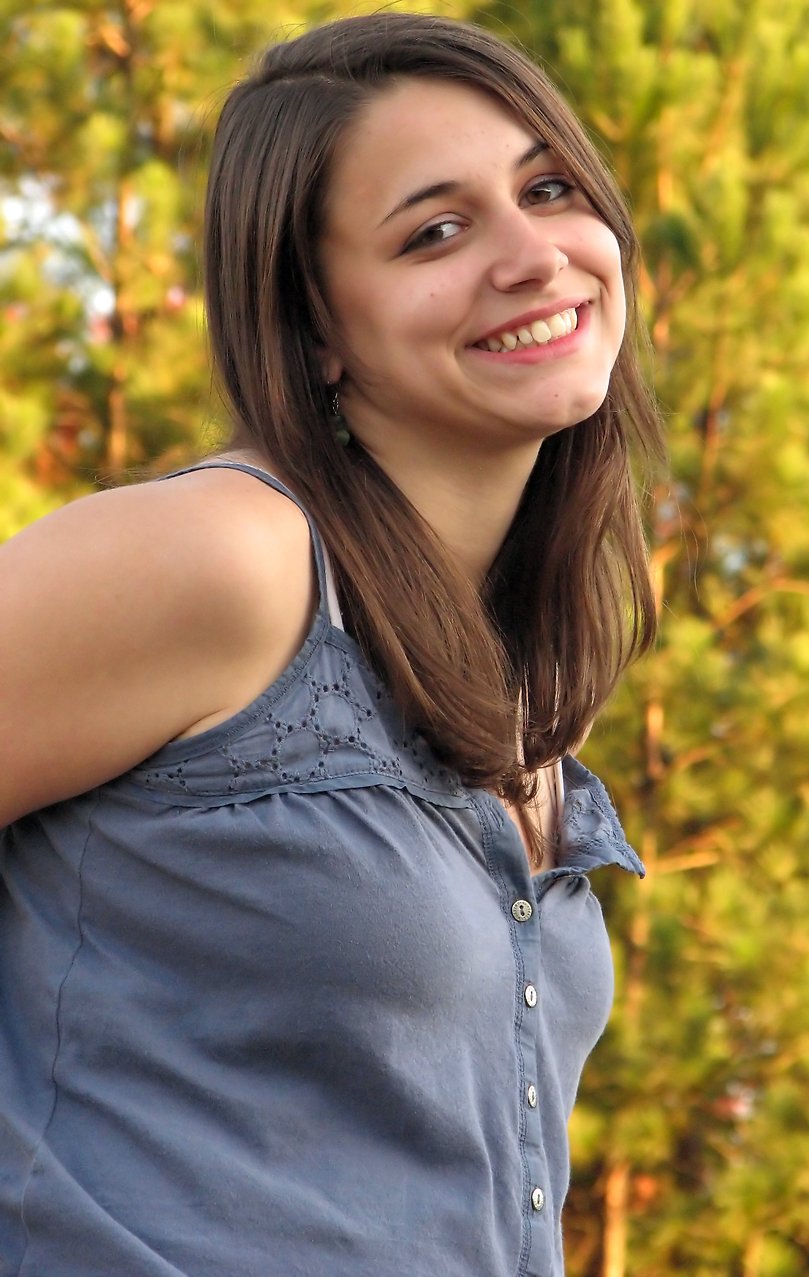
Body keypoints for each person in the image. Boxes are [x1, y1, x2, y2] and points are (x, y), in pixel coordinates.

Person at [0, 13, 664, 1276]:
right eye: (437, 231)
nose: (534, 256)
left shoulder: (519, 687)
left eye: (548, 188)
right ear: (311, 326)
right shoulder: (223, 557)